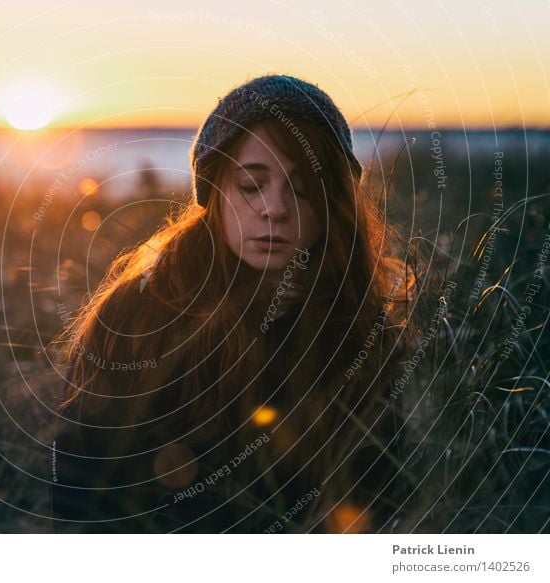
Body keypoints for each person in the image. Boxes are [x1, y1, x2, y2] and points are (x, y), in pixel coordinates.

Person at [48, 73, 414, 534]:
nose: (275, 208)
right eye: (251, 185)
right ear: (215, 192)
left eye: (301, 188)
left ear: (332, 201)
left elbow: (381, 493)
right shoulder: (140, 316)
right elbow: (81, 489)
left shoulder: (357, 324)